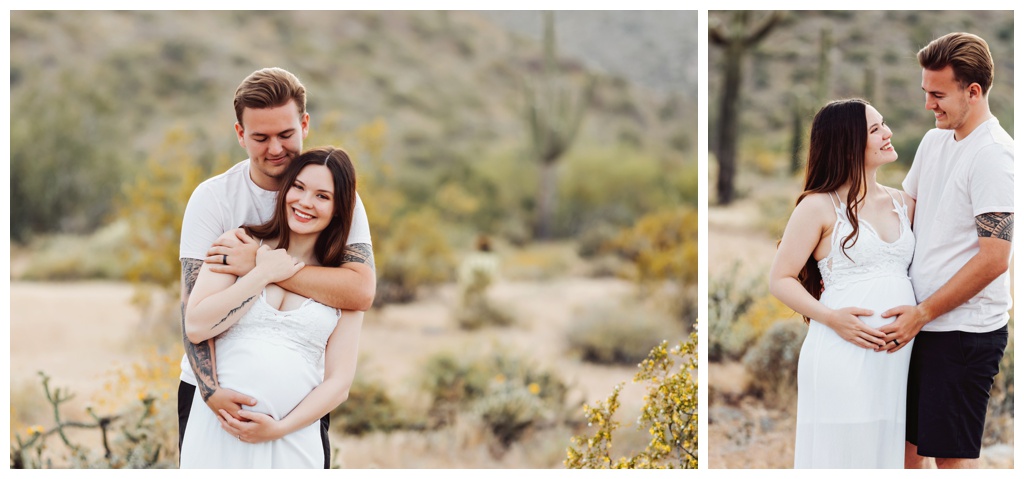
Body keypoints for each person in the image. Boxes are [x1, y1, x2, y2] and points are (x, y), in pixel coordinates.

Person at [177, 68, 375, 468]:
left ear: (304, 124)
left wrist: (263, 266)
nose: (275, 149)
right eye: (260, 137)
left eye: (285, 135)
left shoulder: (344, 201)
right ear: (239, 134)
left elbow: (359, 294)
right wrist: (211, 391)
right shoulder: (217, 203)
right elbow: (193, 313)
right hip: (211, 401)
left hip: (296, 423)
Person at [876, 32, 1013, 469]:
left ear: (973, 92)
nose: (928, 105)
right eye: (925, 93)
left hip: (963, 334)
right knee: (905, 455)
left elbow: (994, 259)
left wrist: (923, 313)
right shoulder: (934, 142)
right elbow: (907, 215)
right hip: (920, 324)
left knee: (952, 462)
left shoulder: (994, 157)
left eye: (938, 95)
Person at [769, 98, 916, 468]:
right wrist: (832, 318)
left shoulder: (904, 203)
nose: (888, 133)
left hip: (898, 360)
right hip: (841, 352)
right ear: (848, 142)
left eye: (884, 124)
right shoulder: (817, 206)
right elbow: (780, 279)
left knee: (886, 456)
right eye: (875, 129)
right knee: (844, 458)